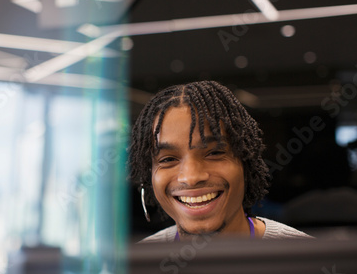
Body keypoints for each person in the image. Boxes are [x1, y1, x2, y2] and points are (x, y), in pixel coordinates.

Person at [128, 80, 311, 242]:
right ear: (148, 175)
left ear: (246, 163)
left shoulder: (308, 260)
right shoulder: (128, 270)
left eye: (214, 153)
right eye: (168, 159)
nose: (191, 177)